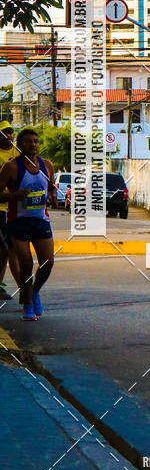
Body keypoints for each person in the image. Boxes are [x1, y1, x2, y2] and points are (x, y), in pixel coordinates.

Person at [0, 128, 57, 321]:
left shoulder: (47, 165)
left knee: (48, 262)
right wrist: (13, 196)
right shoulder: (11, 167)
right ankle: (28, 305)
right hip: (18, 221)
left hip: (41, 220)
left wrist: (52, 197)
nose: (33, 144)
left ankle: (33, 292)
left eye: (35, 141)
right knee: (26, 263)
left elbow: (51, 189)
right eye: (27, 141)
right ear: (20, 145)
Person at [0, 121, 21, 302]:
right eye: (3, 133)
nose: (8, 136)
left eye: (10, 132)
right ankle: (25, 291)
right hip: (1, 207)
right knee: (7, 249)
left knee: (7, 250)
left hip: (16, 207)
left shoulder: (18, 153)